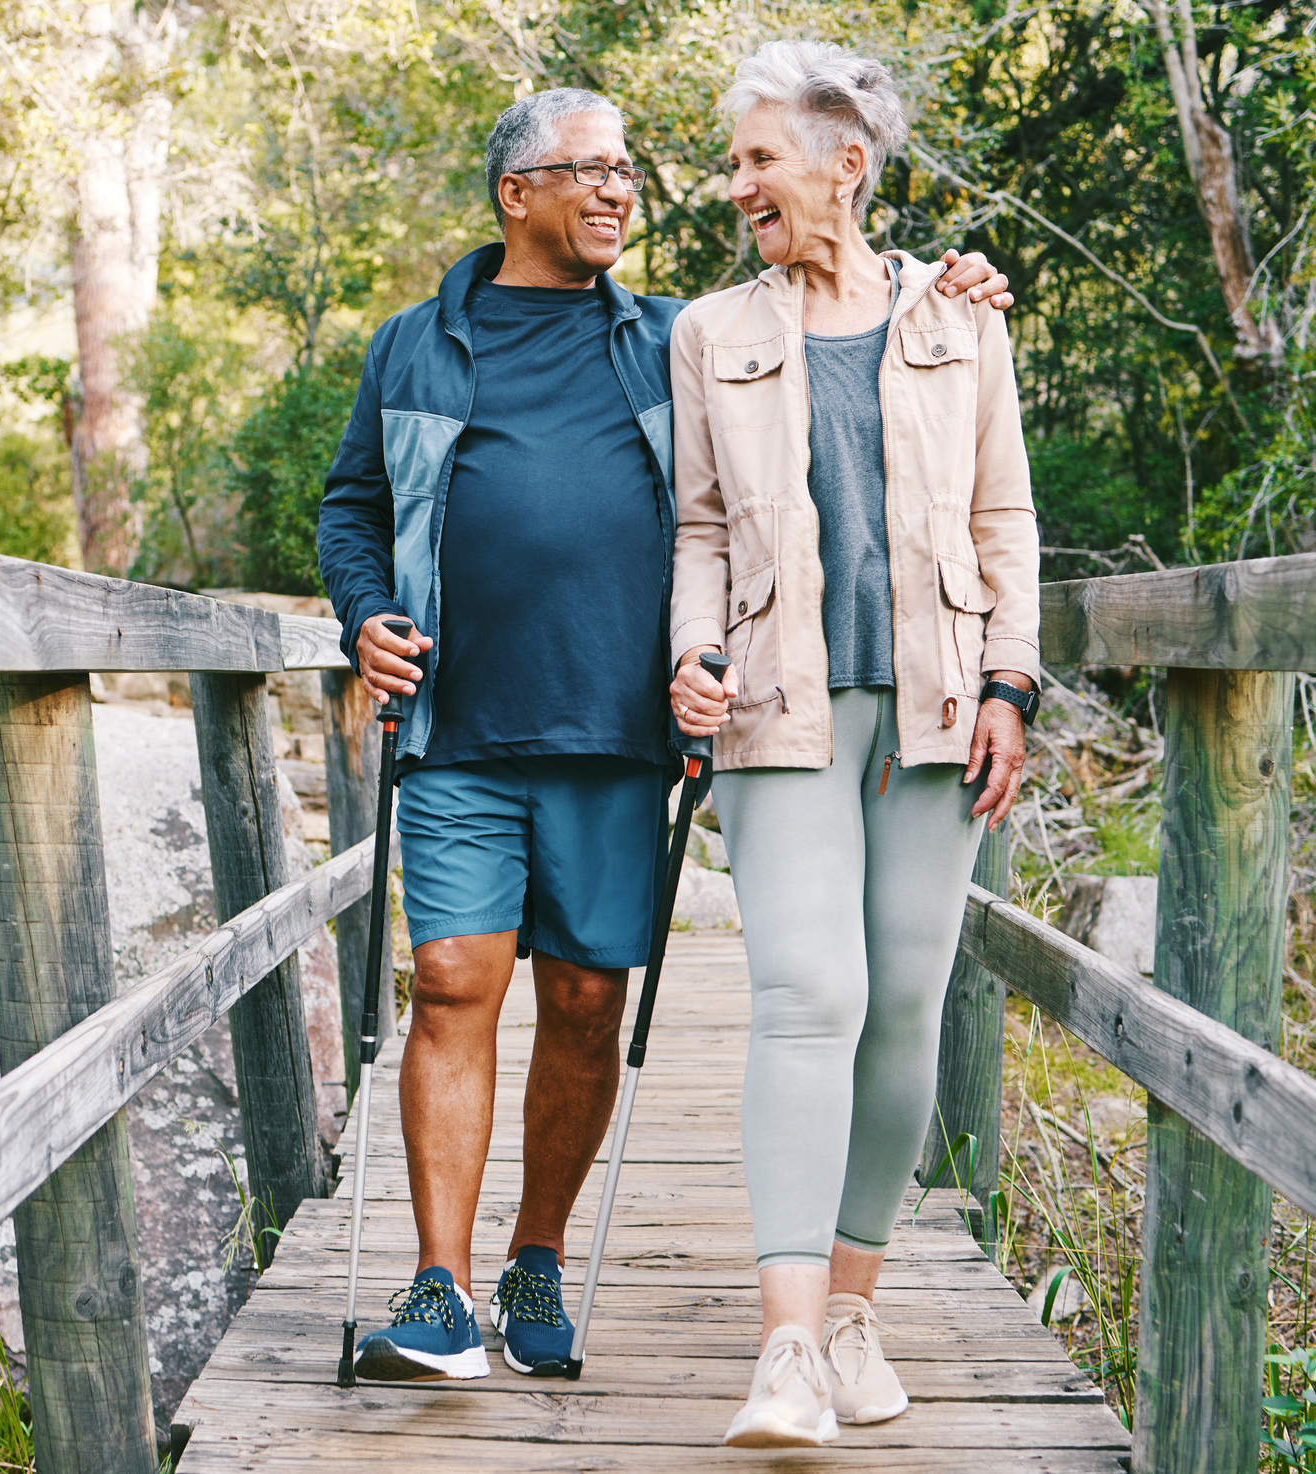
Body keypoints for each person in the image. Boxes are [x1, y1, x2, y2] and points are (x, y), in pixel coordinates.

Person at [316, 84, 1015, 1384]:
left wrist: (950, 287)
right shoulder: (413, 345)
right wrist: (364, 613)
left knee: (584, 1002)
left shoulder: (671, 338)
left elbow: (797, 395)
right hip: (458, 725)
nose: (618, 190)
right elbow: (351, 505)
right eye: (585, 169)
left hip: (620, 736)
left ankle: (535, 1255)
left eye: (627, 168)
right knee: (453, 984)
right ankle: (439, 1291)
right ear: (513, 191)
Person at [666, 39, 1041, 1446]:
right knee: (805, 994)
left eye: (759, 159)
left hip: (942, 700)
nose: (738, 185)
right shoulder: (711, 330)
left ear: (846, 165)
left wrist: (1013, 678)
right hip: (779, 701)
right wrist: (686, 656)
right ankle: (779, 1352)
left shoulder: (961, 316)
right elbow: (700, 525)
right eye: (738, 161)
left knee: (902, 1007)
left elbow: (1002, 515)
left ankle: (850, 1311)